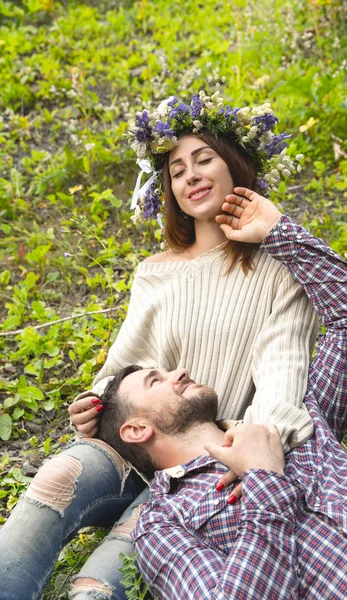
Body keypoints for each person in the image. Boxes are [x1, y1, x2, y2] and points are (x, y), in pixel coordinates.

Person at [0, 89, 318, 600]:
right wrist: (98, 401)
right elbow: (122, 368)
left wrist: (257, 449)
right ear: (167, 189)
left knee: (108, 570)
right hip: (135, 443)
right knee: (59, 476)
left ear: (235, 165)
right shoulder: (154, 273)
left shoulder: (281, 272)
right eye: (175, 170)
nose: (190, 175)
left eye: (204, 159)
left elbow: (283, 376)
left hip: (208, 459)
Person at [98, 194, 347, 599]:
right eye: (156, 380)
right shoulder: (165, 525)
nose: (181, 371)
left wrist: (279, 235)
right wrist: (264, 478)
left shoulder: (297, 417)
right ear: (135, 428)